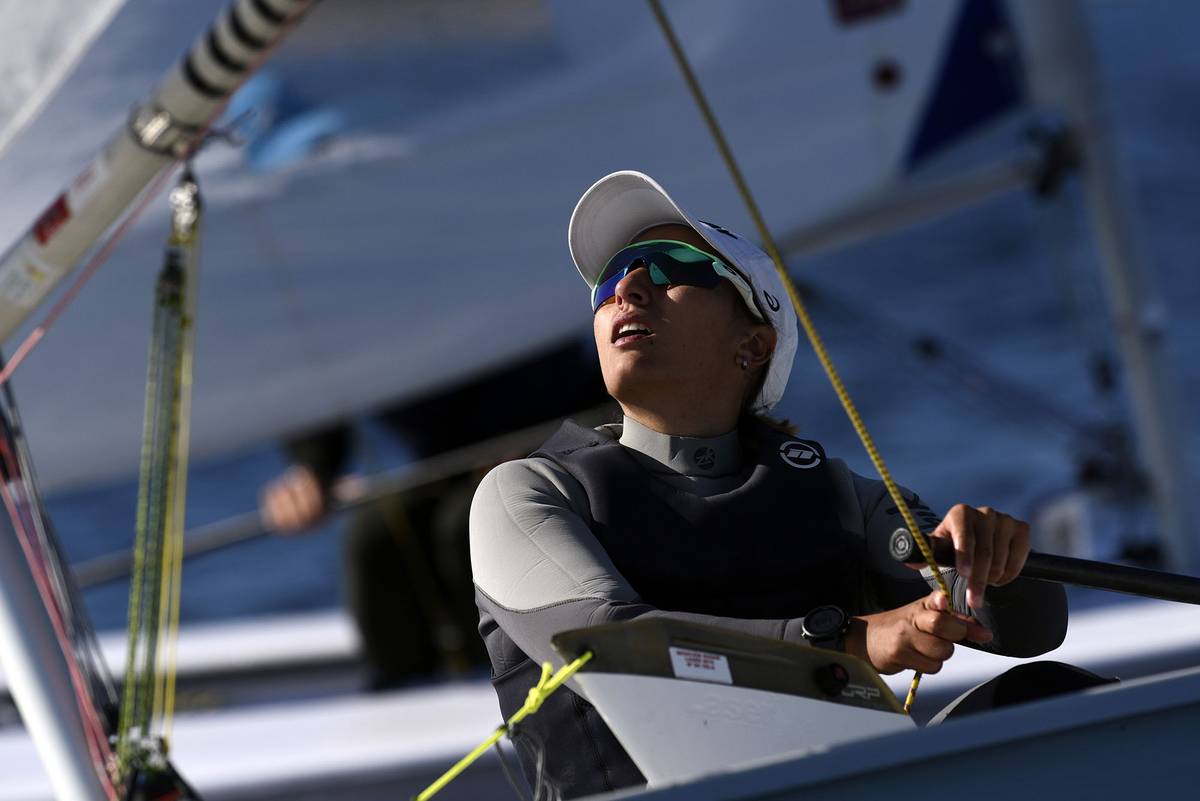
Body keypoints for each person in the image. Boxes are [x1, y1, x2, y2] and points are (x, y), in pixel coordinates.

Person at [469, 171, 1068, 798]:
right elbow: (614, 644)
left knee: (1050, 694)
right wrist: (849, 642)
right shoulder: (525, 492)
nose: (628, 287)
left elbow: (1029, 633)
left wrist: (997, 565)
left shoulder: (835, 496)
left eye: (674, 265)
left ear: (752, 345)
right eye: (613, 275)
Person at [260, 339, 610, 689]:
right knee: (375, 537)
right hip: (445, 457)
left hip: (555, 431)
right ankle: (402, 701)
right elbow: (318, 333)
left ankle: (517, 686)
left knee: (467, 524)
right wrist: (314, 466)